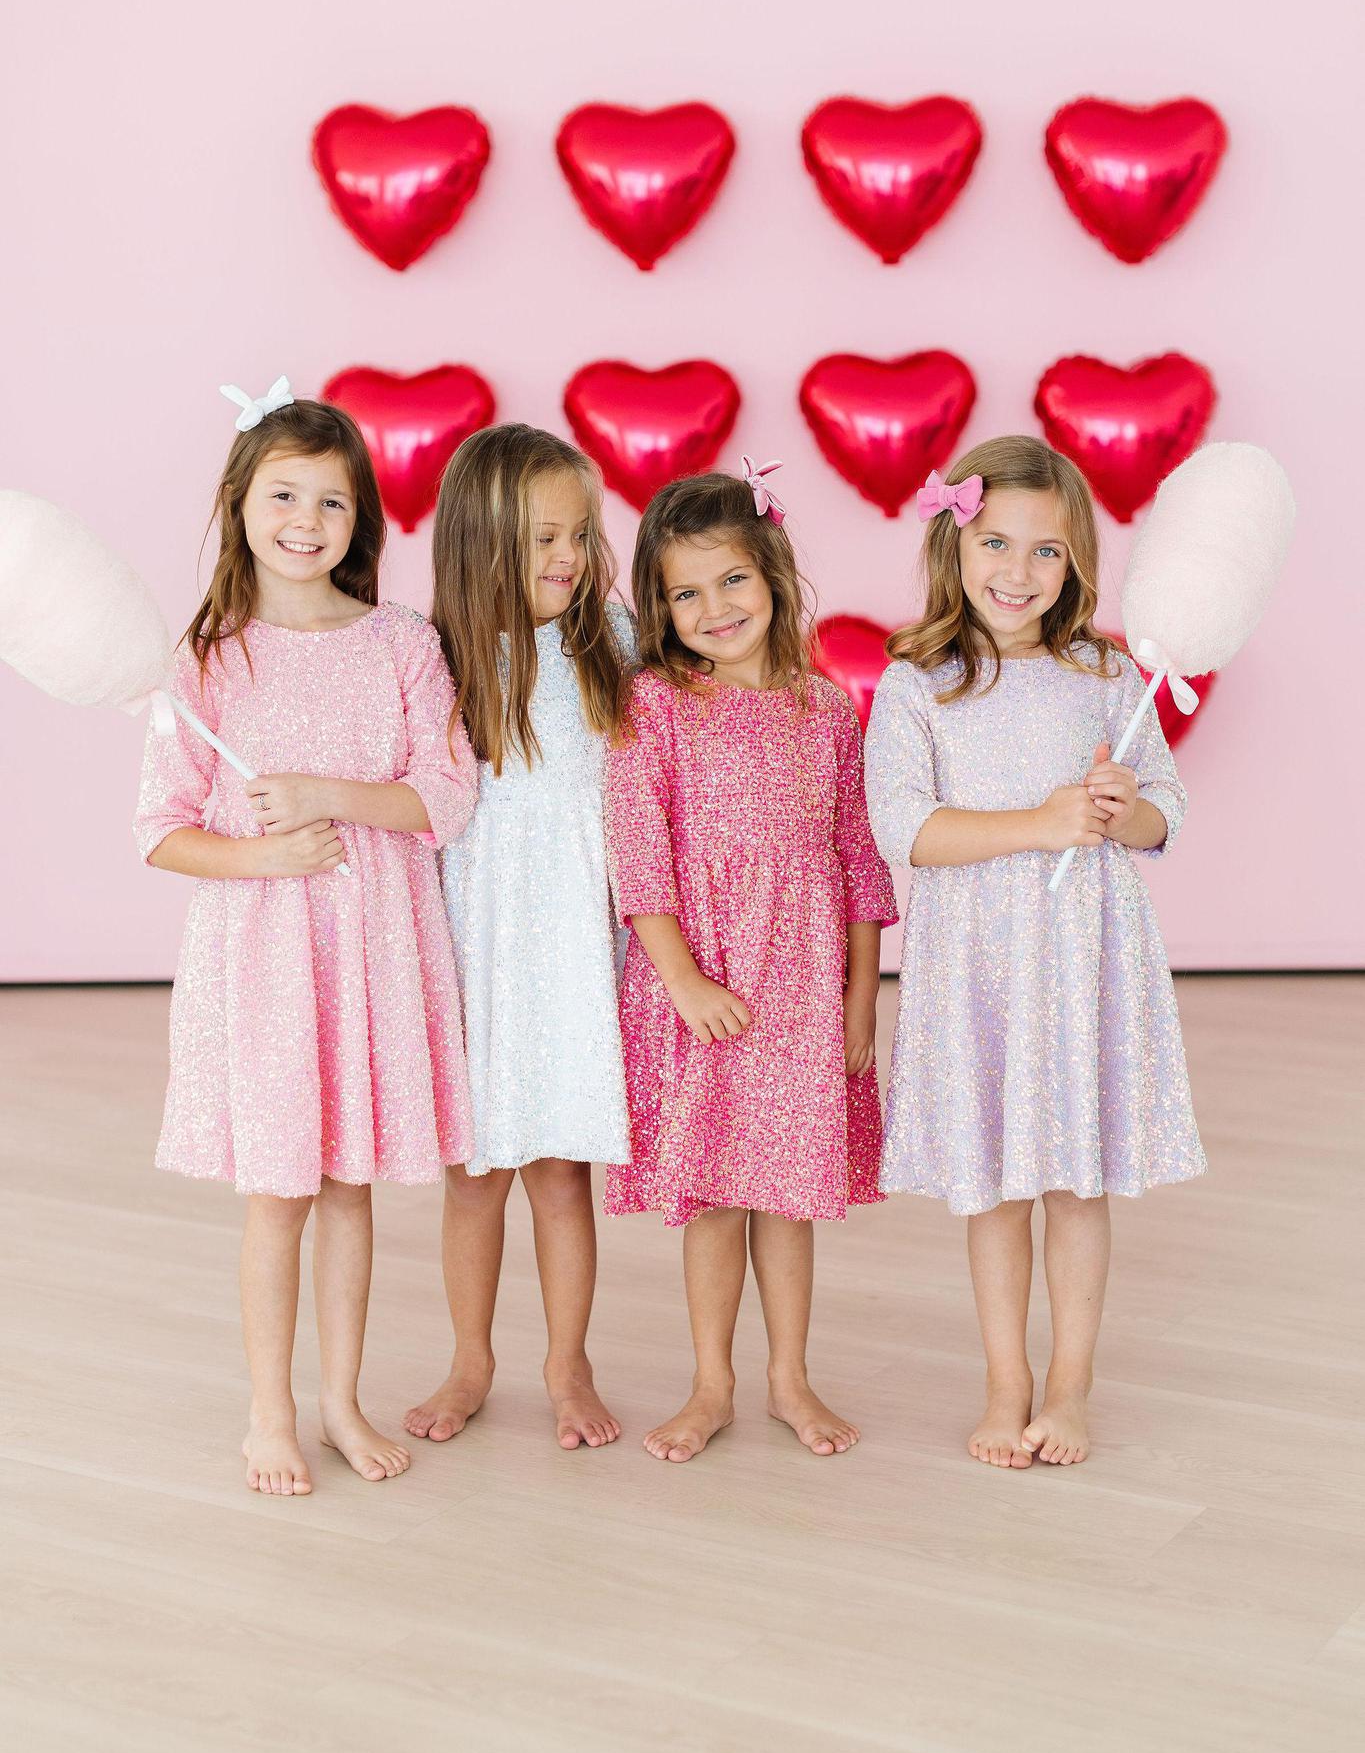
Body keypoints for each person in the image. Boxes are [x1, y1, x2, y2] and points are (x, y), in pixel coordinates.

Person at [135, 381, 476, 1496]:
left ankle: (342, 1400)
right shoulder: (207, 660)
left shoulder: (401, 643)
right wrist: (264, 857)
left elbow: (445, 795)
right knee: (279, 1192)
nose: (305, 520)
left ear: (359, 517)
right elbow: (161, 829)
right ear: (240, 503)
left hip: (371, 953)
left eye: (331, 500)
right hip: (270, 963)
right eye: (283, 495)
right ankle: (269, 1413)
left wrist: (329, 795)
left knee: (348, 1188)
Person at [864, 436, 1204, 1469]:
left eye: (1046, 551)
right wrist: (1042, 822)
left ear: (1075, 563)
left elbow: (1164, 812)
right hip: (977, 967)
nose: (1017, 571)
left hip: (1078, 964)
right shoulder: (919, 682)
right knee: (996, 1186)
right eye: (996, 543)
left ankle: (1068, 1386)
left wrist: (1122, 807)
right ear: (953, 543)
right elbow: (905, 831)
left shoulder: (1105, 675)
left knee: (1074, 1185)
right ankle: (1006, 1380)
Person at [605, 460, 896, 1463]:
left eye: (731, 579)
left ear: (771, 572)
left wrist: (861, 999)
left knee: (787, 1190)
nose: (714, 607)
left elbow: (858, 858)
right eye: (685, 593)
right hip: (703, 983)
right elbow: (638, 857)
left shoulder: (825, 710)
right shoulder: (655, 703)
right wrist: (683, 981)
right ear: (660, 608)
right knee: (717, 1191)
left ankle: (789, 1378)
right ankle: (711, 1383)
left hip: (802, 984)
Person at [405, 425, 634, 1453]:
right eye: (545, 537)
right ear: (481, 540)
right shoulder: (436, 657)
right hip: (476, 949)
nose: (570, 556)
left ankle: (567, 1362)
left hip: (575, 948)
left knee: (560, 1172)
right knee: (475, 1175)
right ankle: (471, 1359)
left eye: (581, 533)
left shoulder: (612, 643)